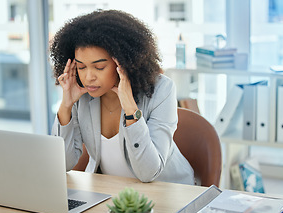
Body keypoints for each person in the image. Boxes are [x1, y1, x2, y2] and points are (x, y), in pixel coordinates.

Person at [50, 9, 194, 184]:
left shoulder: (162, 90)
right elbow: (63, 164)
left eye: (99, 67)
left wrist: (130, 108)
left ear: (123, 62)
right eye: (81, 67)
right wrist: (66, 106)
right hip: (113, 194)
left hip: (168, 190)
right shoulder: (82, 95)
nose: (88, 77)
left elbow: (148, 173)